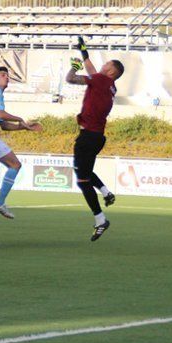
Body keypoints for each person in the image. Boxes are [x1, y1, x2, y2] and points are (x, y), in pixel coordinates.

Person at [65, 37, 123, 242]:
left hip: (88, 136)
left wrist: (73, 67)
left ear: (111, 71)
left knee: (82, 180)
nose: (103, 65)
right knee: (86, 172)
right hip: (97, 136)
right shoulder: (110, 86)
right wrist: (84, 51)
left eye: (106, 64)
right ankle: (106, 192)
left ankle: (100, 219)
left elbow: (71, 79)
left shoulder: (100, 80)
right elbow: (92, 70)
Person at [0, 66, 42, 219]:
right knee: (15, 165)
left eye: (8, 75)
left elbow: (3, 124)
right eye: (3, 75)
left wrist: (24, 128)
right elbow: (0, 114)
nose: (7, 78)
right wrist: (21, 119)